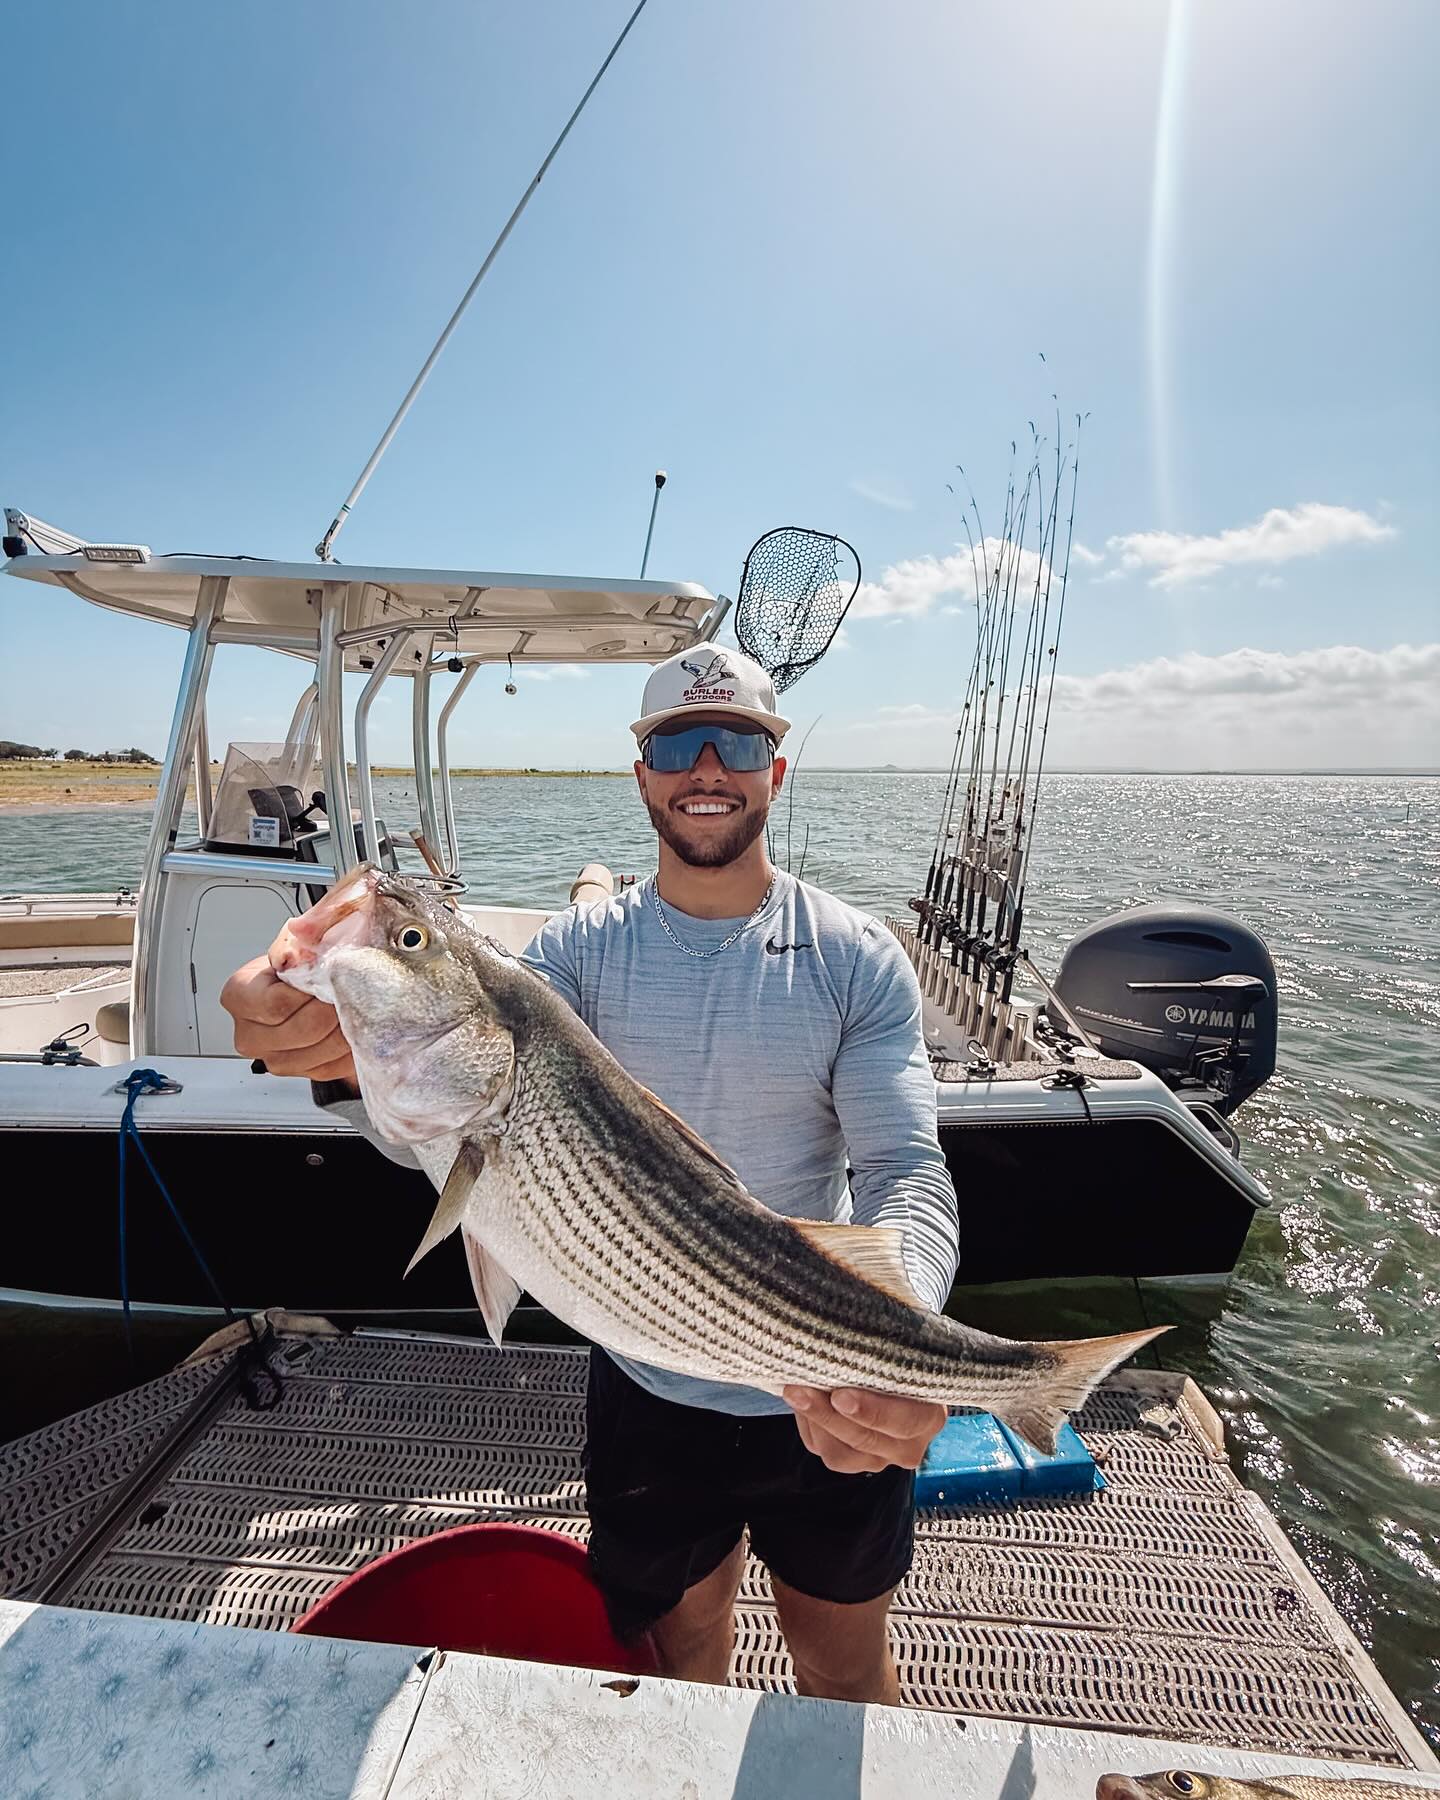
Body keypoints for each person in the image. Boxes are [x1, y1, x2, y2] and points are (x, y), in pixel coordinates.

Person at [221, 645, 959, 1705]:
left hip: (823, 1355)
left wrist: (904, 1335)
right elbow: (458, 1116)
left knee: (840, 1663)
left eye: (738, 741)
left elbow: (905, 1167)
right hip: (650, 1387)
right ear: (642, 772)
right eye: (678, 743)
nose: (708, 766)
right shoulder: (572, 955)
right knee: (680, 1653)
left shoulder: (857, 955)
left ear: (777, 771)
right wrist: (332, 1052)